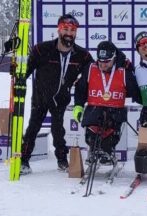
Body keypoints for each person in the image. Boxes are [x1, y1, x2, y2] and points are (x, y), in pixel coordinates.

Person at [20, 14, 93, 174]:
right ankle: (23, 160)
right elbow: (25, 70)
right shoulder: (42, 49)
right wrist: (19, 77)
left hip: (61, 98)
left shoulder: (82, 55)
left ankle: (62, 160)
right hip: (41, 96)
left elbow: (93, 71)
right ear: (59, 29)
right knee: (33, 127)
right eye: (65, 29)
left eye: (72, 30)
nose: (69, 33)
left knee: (58, 129)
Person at [73, 41, 140, 165]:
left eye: (107, 62)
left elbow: (135, 93)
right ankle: (94, 151)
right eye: (100, 61)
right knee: (91, 133)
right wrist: (78, 105)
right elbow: (81, 89)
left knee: (109, 134)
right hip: (94, 107)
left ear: (114, 58)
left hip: (115, 109)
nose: (103, 65)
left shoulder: (124, 70)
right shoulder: (90, 68)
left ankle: (107, 152)